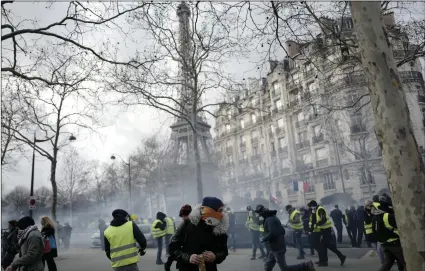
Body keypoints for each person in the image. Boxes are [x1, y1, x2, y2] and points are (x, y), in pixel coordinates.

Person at [167, 196, 229, 271]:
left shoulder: (219, 228)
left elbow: (224, 252)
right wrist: (188, 257)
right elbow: (172, 249)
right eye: (220, 210)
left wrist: (215, 256)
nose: (222, 214)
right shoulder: (187, 224)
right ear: (210, 210)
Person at [254, 205, 315, 271]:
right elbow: (258, 223)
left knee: (284, 268)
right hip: (274, 247)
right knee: (268, 267)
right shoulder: (269, 217)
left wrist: (264, 238)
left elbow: (273, 233)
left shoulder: (270, 219)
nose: (259, 215)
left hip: (277, 247)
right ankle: (306, 265)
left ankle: (306, 266)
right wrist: (256, 217)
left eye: (259, 213)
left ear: (262, 213)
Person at [308, 200, 346, 267]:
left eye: (311, 207)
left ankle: (338, 257)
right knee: (324, 246)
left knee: (326, 245)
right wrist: (313, 213)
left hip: (326, 230)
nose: (311, 209)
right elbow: (314, 220)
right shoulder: (316, 210)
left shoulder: (320, 209)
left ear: (313, 206)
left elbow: (323, 219)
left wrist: (317, 224)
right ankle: (325, 261)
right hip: (323, 230)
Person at [371, 200, 406, 271]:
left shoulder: (375, 217)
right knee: (406, 263)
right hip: (394, 244)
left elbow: (374, 231)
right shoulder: (388, 216)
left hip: (384, 245)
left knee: (387, 263)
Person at [165, 204, 193, 271]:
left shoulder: (187, 223)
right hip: (182, 253)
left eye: (184, 215)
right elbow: (174, 246)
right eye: (183, 216)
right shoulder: (183, 225)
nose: (183, 218)